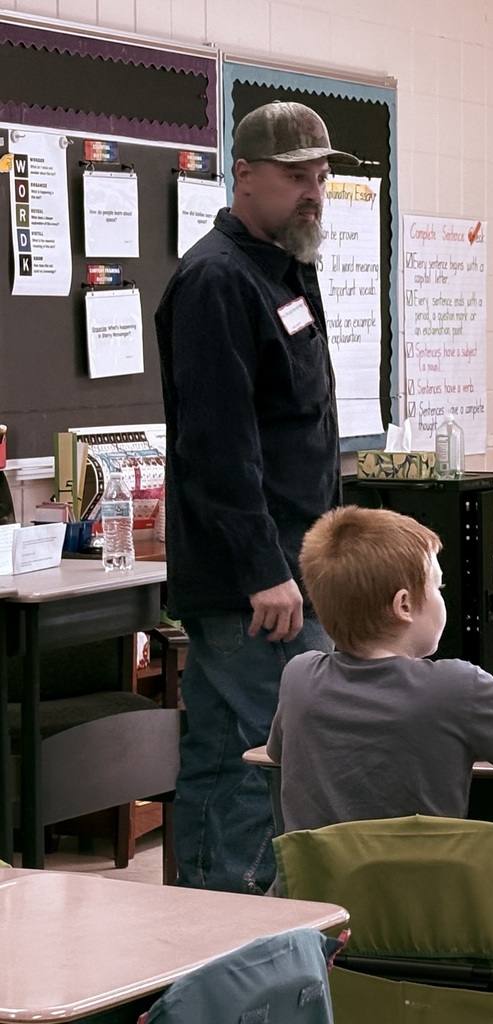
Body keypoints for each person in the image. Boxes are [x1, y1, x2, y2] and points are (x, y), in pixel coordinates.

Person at [267, 504, 493, 1023]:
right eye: (437, 587)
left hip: (322, 927)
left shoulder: (300, 677)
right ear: (404, 605)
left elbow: (278, 754)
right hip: (437, 929)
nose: (443, 599)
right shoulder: (456, 686)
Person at [155, 101, 357, 893]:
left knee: (224, 753)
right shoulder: (217, 280)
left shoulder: (284, 267)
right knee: (263, 760)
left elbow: (295, 427)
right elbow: (217, 447)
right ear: (243, 174)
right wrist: (263, 571)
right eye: (296, 176)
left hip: (294, 564)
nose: (314, 190)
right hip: (257, 581)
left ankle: (211, 929)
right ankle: (242, 940)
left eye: (322, 175)